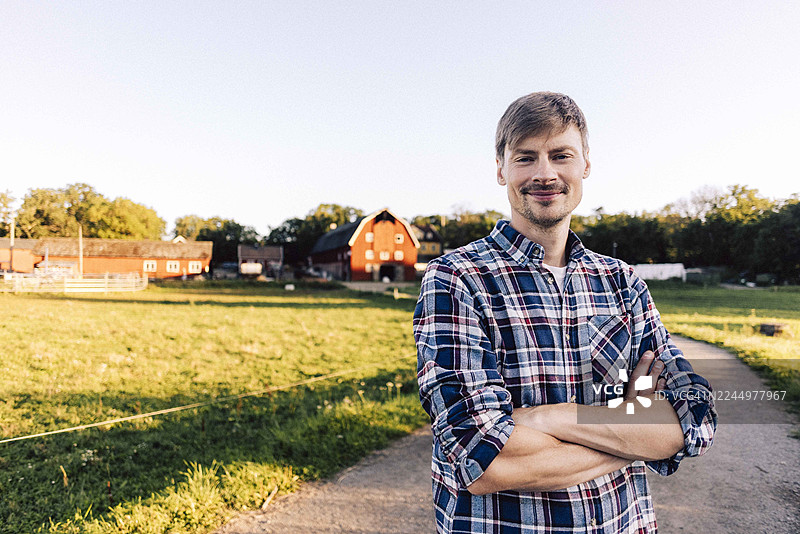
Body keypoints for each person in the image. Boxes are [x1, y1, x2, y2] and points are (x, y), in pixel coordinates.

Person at [413, 92, 716, 533]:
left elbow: (693, 418)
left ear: (585, 165)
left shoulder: (622, 281)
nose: (544, 173)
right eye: (525, 158)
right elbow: (482, 460)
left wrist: (549, 418)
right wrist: (634, 435)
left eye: (560, 155)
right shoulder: (457, 279)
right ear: (500, 169)